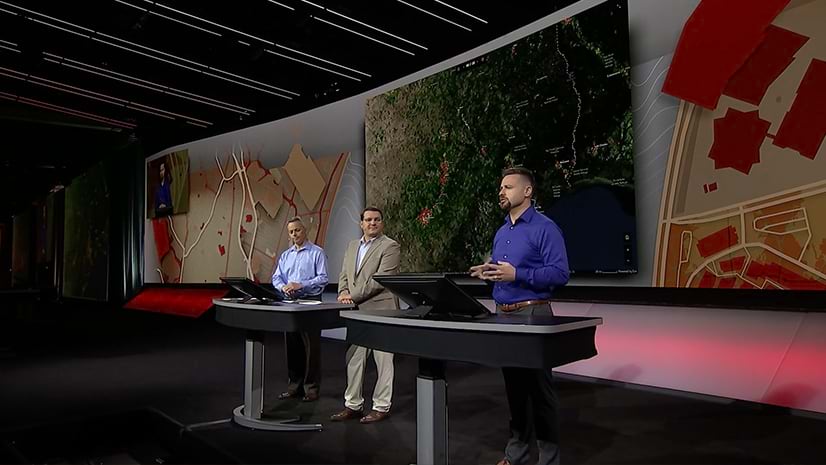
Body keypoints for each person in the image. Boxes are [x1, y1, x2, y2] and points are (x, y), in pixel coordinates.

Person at [470, 167, 570, 465]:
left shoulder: (545, 228)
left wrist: (518, 274)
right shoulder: (503, 232)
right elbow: (504, 274)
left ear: (527, 191)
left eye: (509, 187)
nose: (502, 191)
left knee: (540, 392)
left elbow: (560, 274)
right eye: (501, 187)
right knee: (514, 390)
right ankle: (517, 455)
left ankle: (549, 460)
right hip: (503, 315)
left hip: (533, 313)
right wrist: (488, 273)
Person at [331, 206, 400, 424]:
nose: (373, 223)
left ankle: (381, 406)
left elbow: (380, 280)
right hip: (357, 312)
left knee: (383, 360)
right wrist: (342, 291)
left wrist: (351, 296)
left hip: (382, 311)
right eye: (368, 220)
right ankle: (353, 404)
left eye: (377, 219)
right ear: (361, 223)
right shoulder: (352, 246)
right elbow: (344, 274)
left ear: (382, 223)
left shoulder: (390, 246)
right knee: (354, 358)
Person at [271, 216, 329, 402]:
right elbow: (276, 278)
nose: (294, 234)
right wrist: (283, 287)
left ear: (305, 231)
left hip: (310, 302)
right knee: (293, 346)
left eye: (297, 230)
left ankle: (311, 388)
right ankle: (294, 386)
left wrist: (300, 285)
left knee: (311, 347)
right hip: (290, 304)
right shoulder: (286, 255)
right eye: (291, 232)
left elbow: (322, 278)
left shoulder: (317, 253)